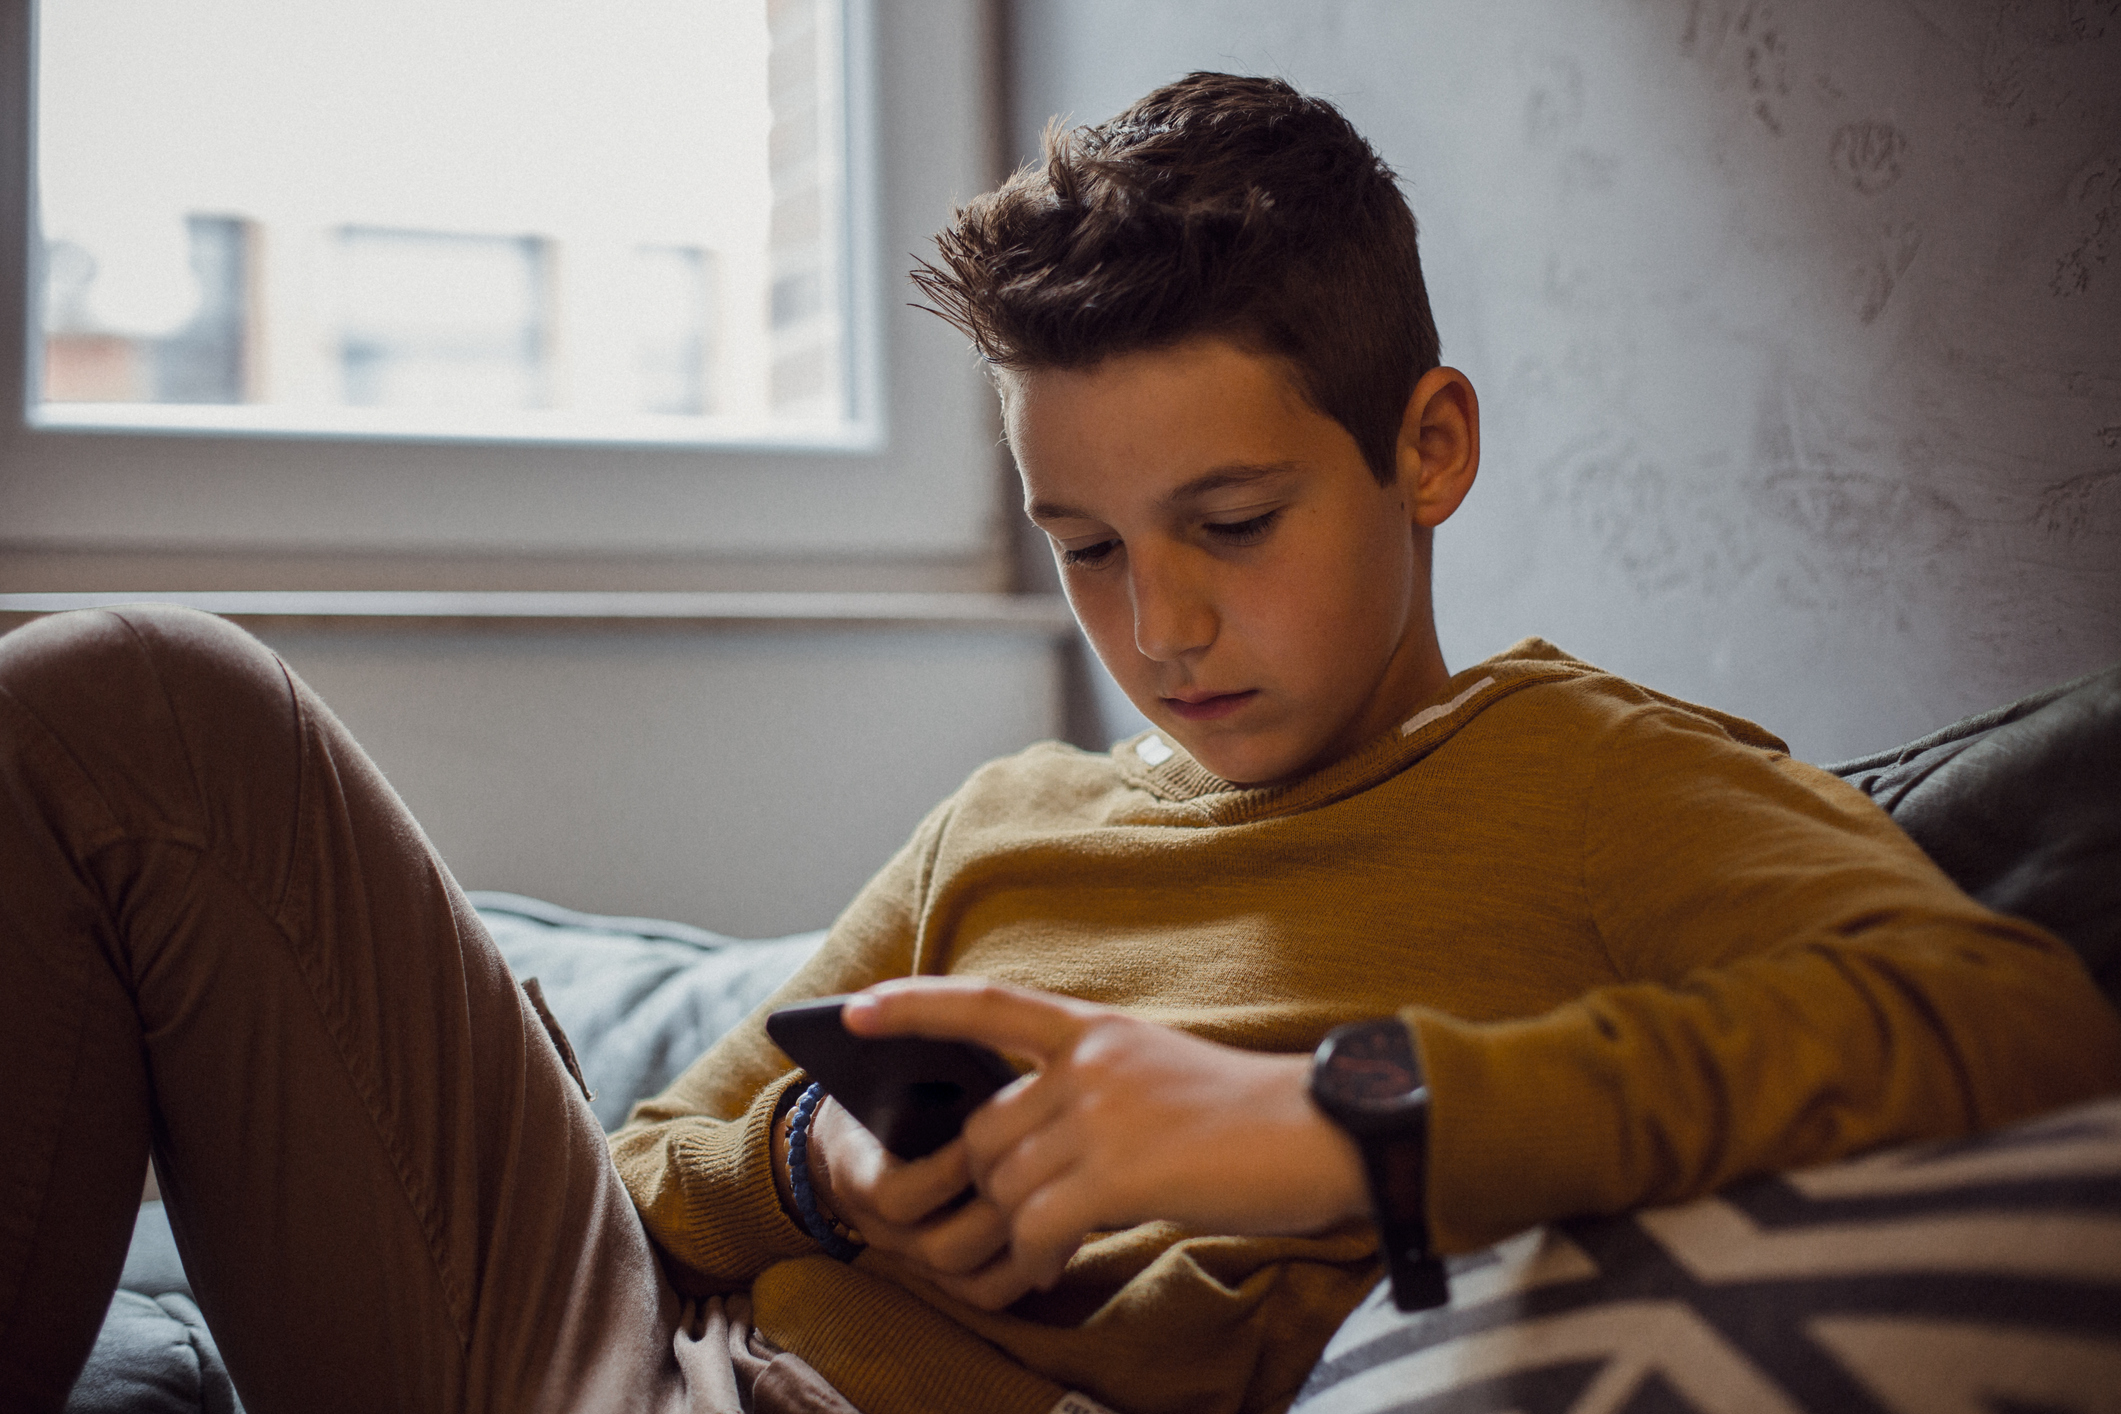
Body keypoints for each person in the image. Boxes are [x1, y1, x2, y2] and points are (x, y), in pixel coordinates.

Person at [1, 71, 2112, 1414]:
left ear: (1426, 446)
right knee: (100, 702)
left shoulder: (1594, 778)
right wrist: (823, 1178)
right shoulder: (1003, 823)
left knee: (133, 698)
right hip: (633, 1362)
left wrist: (1327, 1122)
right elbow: (640, 1183)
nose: (1157, 624)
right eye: (1084, 546)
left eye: (1229, 524)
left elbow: (2002, 1016)